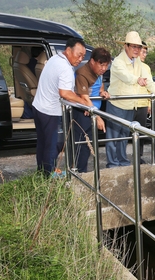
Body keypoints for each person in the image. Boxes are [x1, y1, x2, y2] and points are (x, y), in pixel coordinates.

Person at [105, 31, 155, 168]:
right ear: (126, 46)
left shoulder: (137, 61)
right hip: (117, 104)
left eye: (139, 47)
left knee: (125, 136)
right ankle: (112, 163)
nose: (137, 50)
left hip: (130, 105)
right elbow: (125, 76)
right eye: (134, 47)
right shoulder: (118, 62)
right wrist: (137, 80)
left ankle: (122, 161)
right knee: (113, 136)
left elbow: (147, 79)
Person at [32, 37, 87, 176]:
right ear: (68, 50)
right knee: (51, 144)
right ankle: (49, 175)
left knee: (42, 142)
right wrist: (83, 101)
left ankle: (42, 171)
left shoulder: (54, 59)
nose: (80, 59)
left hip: (38, 106)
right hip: (49, 111)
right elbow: (65, 93)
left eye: (83, 56)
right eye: (78, 54)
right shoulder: (66, 68)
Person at [72, 47, 111, 173]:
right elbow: (84, 97)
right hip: (83, 112)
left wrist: (102, 92)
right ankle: (78, 172)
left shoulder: (98, 72)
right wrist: (98, 117)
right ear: (93, 61)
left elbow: (100, 84)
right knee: (82, 145)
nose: (104, 69)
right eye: (101, 64)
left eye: (106, 65)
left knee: (89, 146)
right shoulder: (82, 73)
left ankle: (82, 171)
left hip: (92, 111)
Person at [133, 40, 152, 163]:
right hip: (130, 104)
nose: (144, 55)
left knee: (140, 131)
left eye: (146, 52)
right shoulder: (131, 65)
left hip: (143, 104)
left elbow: (150, 86)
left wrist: (149, 103)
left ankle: (138, 156)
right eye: (143, 52)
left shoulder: (146, 68)